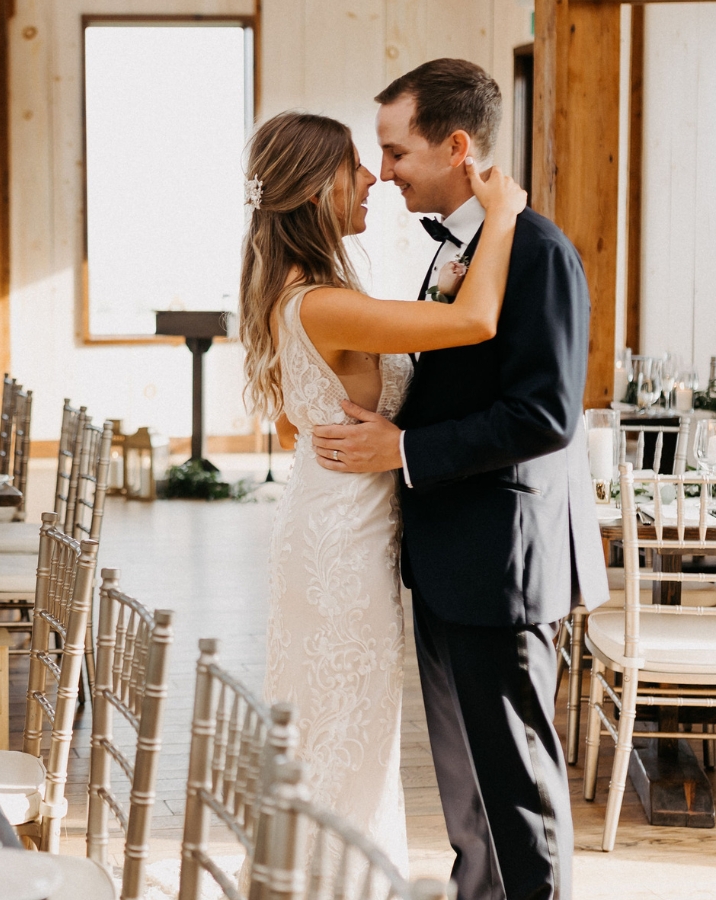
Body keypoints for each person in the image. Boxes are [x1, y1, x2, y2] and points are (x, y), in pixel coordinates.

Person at [310, 58, 609, 900]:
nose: (387, 172)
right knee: (468, 786)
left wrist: (401, 452)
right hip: (453, 560)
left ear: (456, 145)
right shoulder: (465, 250)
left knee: (514, 788)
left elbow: (545, 414)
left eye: (396, 151)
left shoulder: (535, 251)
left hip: (502, 564)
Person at [240, 108, 526, 873]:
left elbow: (294, 426)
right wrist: (502, 214)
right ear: (312, 188)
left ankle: (311, 877)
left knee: (333, 724)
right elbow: (475, 320)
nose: (373, 179)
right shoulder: (325, 301)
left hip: (327, 522)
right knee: (346, 727)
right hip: (342, 546)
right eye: (355, 169)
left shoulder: (297, 290)